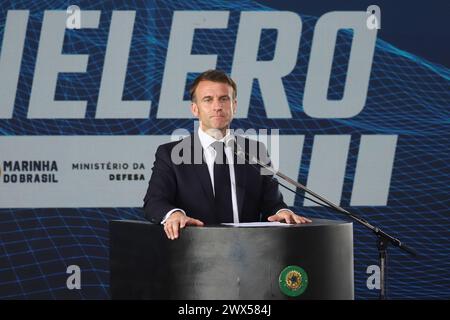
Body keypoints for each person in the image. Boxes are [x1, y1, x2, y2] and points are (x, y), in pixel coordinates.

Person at [143, 70, 311, 240]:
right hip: (193, 254)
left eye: (224, 99)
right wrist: (174, 214)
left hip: (249, 255)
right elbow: (154, 202)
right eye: (208, 100)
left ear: (234, 106)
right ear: (195, 109)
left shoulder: (255, 151)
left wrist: (282, 212)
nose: (217, 106)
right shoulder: (170, 154)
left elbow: (272, 204)